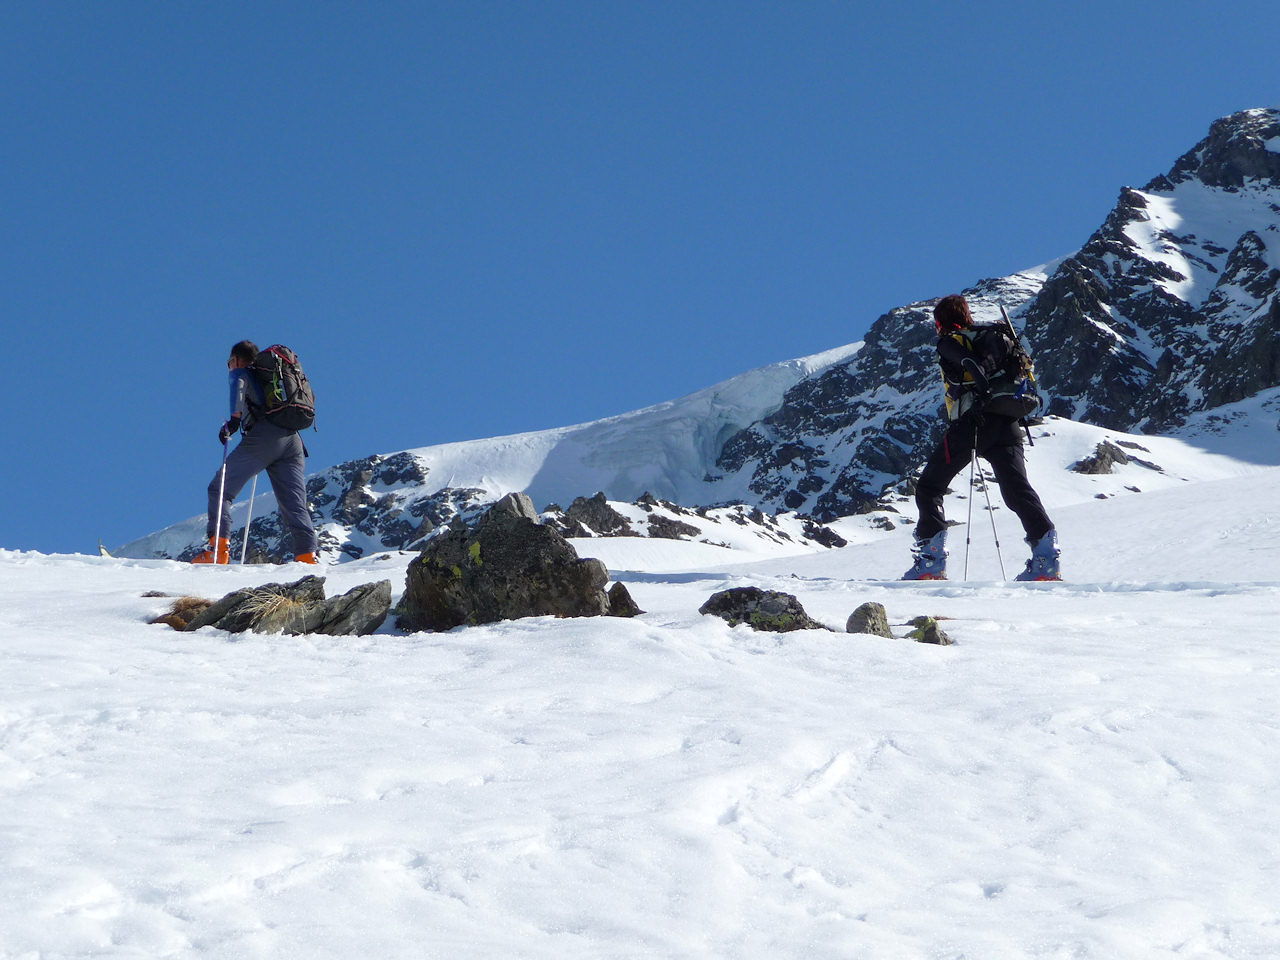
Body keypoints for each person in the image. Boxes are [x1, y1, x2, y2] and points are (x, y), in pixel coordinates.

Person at [902, 294, 1061, 581]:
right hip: (1009, 421)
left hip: (974, 423)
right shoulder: (993, 336)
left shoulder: (951, 340)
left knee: (929, 487)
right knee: (1017, 490)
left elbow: (969, 363)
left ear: (941, 322)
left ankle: (930, 562)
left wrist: (982, 392)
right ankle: (1046, 560)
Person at [192, 340, 319, 564]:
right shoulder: (270, 378)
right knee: (294, 503)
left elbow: (237, 385)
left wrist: (233, 422)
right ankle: (307, 554)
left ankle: (217, 551)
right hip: (293, 441)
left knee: (219, 489)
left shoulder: (243, 371)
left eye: (229, 362)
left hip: (265, 436)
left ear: (237, 359)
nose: (229, 366)